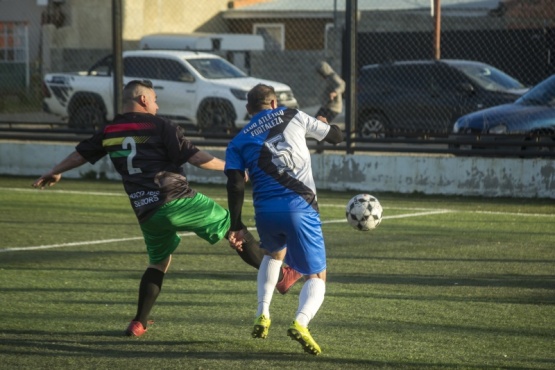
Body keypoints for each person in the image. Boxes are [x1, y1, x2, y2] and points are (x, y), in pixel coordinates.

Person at [31, 79, 299, 338]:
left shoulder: (109, 131)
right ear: (144, 99)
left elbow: (80, 154)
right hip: (177, 199)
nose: (157, 106)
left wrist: (54, 171)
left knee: (158, 262)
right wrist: (233, 167)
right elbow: (195, 158)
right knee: (234, 226)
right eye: (155, 101)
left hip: (146, 212)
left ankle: (138, 322)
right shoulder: (161, 126)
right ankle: (282, 276)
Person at [225, 84, 344, 355]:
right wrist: (325, 123)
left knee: (273, 255)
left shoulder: (239, 140)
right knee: (317, 275)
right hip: (300, 206)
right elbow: (336, 137)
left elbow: (234, 183)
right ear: (274, 102)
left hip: (265, 211)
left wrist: (237, 225)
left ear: (248, 109)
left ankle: (263, 313)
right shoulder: (293, 114)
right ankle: (301, 323)